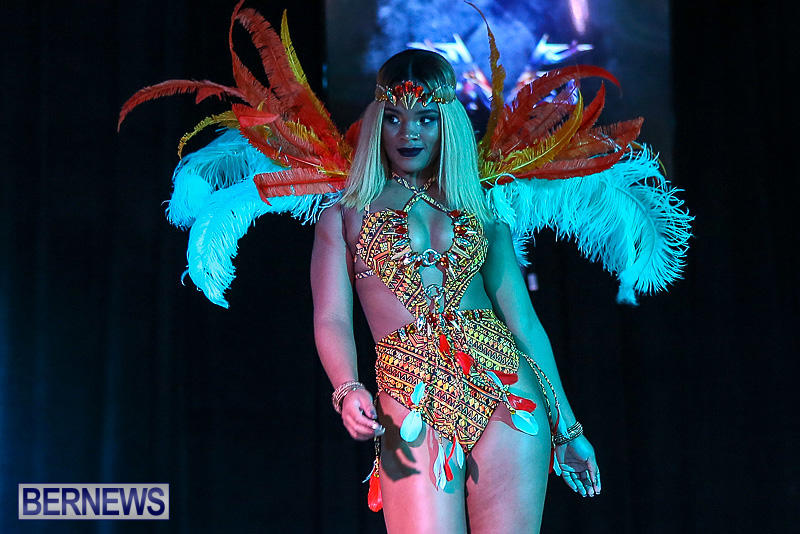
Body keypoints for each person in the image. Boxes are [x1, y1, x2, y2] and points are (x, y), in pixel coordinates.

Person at [311, 49, 599, 533]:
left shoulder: (481, 211)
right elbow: (331, 318)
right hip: (409, 393)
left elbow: (524, 324)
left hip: (507, 391)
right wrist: (347, 387)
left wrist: (567, 429)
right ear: (377, 122)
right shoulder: (344, 217)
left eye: (426, 119)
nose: (409, 133)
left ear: (448, 124)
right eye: (395, 118)